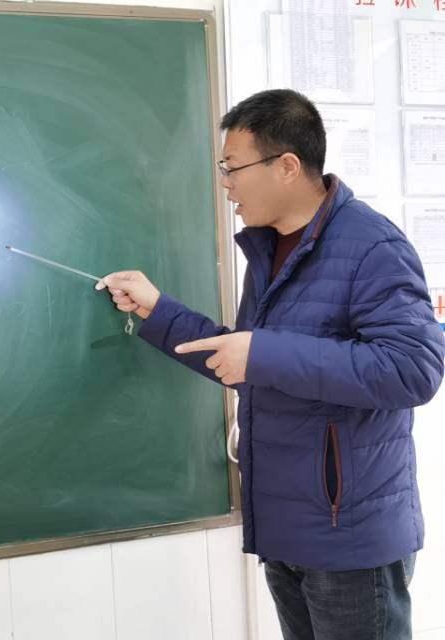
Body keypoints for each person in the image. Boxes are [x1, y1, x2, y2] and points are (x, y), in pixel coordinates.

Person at [96, 89, 445, 640]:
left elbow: (412, 370)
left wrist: (263, 354)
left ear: (286, 166)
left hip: (350, 540)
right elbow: (245, 359)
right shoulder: (270, 249)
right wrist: (157, 311)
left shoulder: (373, 245)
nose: (225, 184)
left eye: (232, 167)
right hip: (285, 528)